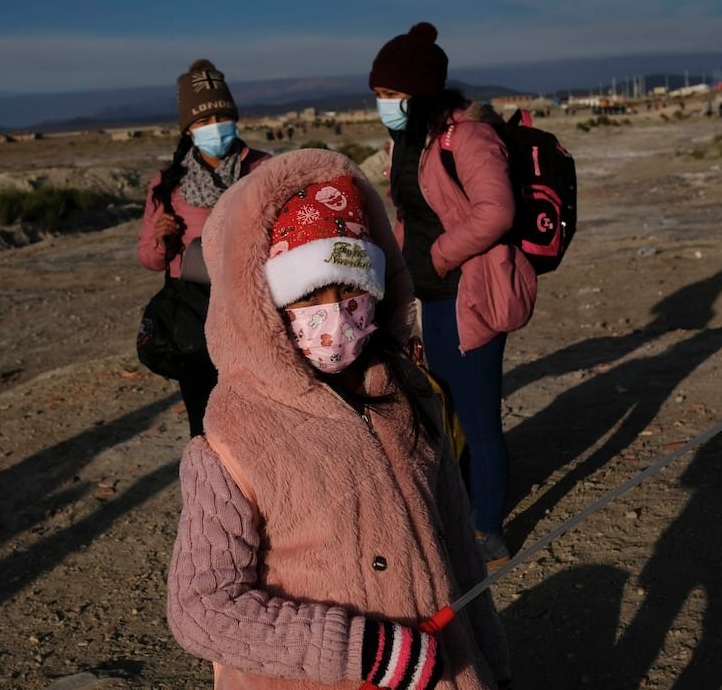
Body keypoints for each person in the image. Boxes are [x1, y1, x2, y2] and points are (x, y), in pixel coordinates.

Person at [166, 149, 512, 689]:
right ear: (263, 304)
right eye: (308, 296)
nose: (334, 317)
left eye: (351, 291)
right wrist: (364, 652)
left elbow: (463, 560)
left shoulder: (409, 398)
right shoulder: (233, 438)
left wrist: (494, 666)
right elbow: (202, 608)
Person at [368, 23, 536, 569]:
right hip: (430, 301)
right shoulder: (408, 142)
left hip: (471, 298)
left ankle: (488, 529)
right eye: (378, 96)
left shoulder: (467, 137)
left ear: (420, 92)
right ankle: (456, 508)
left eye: (391, 96)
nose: (384, 106)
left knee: (480, 419)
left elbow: (498, 211)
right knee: (444, 413)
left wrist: (439, 255)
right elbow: (406, 219)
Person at [137, 58, 271, 437]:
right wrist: (160, 242)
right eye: (203, 120)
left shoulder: (264, 169)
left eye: (221, 116)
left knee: (262, 415)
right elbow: (148, 258)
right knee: (208, 420)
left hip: (255, 306)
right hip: (196, 315)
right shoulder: (168, 184)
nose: (214, 127)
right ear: (188, 129)